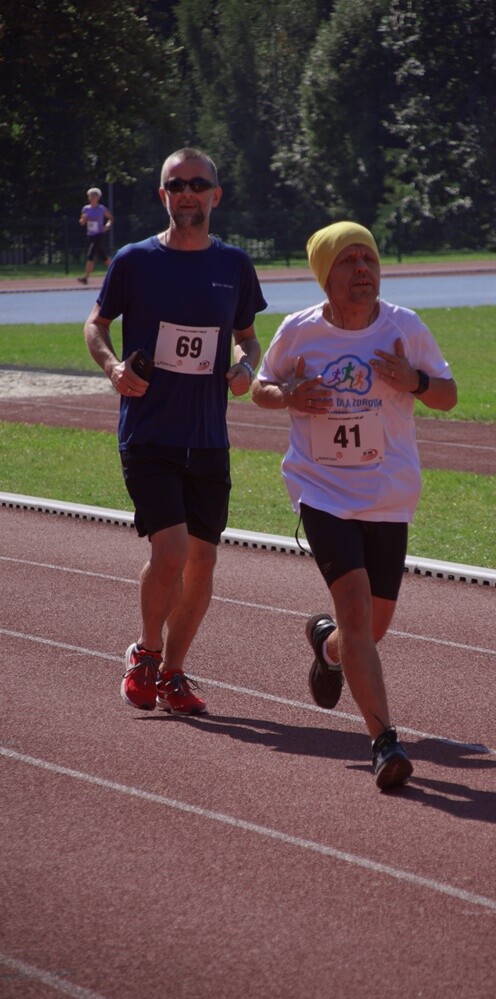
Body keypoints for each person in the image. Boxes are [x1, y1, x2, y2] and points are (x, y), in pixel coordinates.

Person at [251, 221, 457, 789]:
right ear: (325, 276)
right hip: (323, 491)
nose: (363, 270)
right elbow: (260, 388)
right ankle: (384, 743)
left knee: (372, 625)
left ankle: (329, 647)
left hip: (388, 494)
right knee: (357, 609)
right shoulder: (299, 333)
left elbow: (447, 394)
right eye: (348, 261)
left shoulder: (403, 326)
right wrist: (289, 394)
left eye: (369, 258)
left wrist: (412, 379)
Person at [83, 147, 266, 716]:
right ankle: (146, 651)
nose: (187, 192)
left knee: (203, 561)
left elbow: (249, 336)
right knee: (171, 551)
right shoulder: (135, 261)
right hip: (149, 433)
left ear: (216, 195)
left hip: (209, 436)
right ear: (163, 196)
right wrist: (113, 368)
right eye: (175, 184)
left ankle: (174, 672)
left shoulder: (234, 265)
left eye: (197, 183)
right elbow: (96, 324)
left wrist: (245, 367)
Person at [77, 187, 114, 284]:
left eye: (94, 196)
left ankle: (85, 278)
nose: (92, 197)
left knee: (90, 255)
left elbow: (110, 218)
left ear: (98, 198)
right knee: (104, 257)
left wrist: (107, 225)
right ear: (88, 197)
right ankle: (118, 271)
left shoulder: (101, 209)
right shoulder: (85, 209)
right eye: (91, 196)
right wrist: (83, 220)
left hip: (99, 235)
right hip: (90, 235)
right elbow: (81, 222)